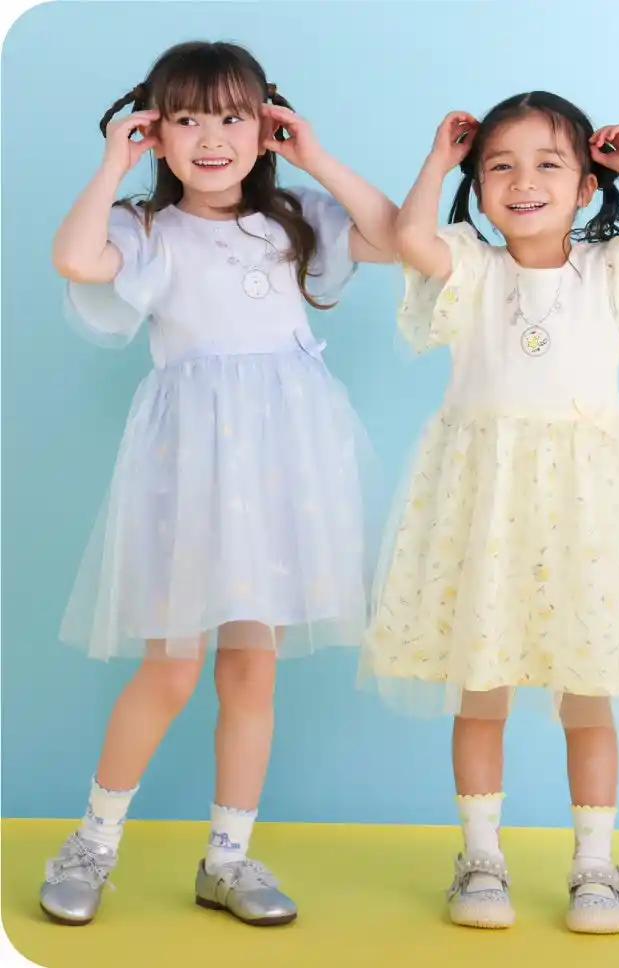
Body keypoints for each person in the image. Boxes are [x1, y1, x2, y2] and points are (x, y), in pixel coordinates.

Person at [40, 40, 397, 928]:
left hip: (282, 470)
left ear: (264, 127)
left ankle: (227, 859)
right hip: (190, 473)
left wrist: (314, 157)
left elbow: (396, 237)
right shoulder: (146, 229)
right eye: (187, 119)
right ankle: (90, 845)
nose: (210, 138)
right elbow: (76, 260)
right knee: (170, 669)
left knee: (251, 672)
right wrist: (110, 163)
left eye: (233, 117)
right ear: (155, 133)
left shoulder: (295, 219)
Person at [361, 91, 619, 933]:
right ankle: (479, 858)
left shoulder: (613, 270)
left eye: (546, 165)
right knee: (480, 687)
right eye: (499, 166)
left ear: (585, 187)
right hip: (483, 506)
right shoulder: (470, 266)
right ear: (476, 184)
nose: (522, 182)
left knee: (588, 693)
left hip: (586, 511)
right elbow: (409, 239)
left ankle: (594, 865)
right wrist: (437, 160)